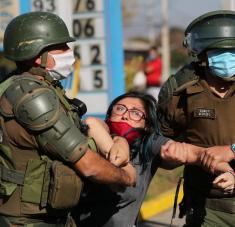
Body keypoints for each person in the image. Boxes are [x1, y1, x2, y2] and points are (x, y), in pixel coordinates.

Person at [0, 11, 136, 227]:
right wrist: (125, 177)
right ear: (38, 56)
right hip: (29, 220)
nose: (69, 52)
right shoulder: (32, 98)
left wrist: (115, 139)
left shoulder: (29, 87)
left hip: (45, 216)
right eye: (61, 47)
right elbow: (88, 165)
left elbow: (79, 129)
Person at [158, 10, 235, 227]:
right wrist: (174, 155)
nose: (228, 58)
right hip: (207, 207)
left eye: (234, 51)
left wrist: (231, 150)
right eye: (220, 51)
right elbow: (163, 144)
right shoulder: (179, 91)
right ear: (201, 54)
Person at [73, 91, 171, 227]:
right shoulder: (90, 138)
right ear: (109, 115)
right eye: (120, 109)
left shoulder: (148, 145)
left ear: (147, 125)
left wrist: (200, 153)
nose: (125, 116)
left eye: (136, 113)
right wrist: (119, 144)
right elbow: (91, 123)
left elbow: (180, 150)